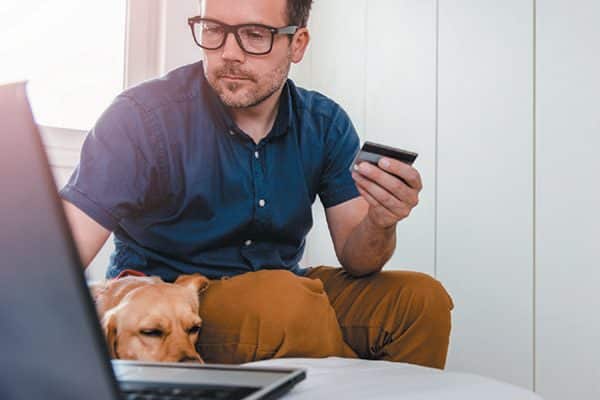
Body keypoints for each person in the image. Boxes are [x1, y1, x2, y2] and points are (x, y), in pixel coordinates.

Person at [61, 0, 454, 369]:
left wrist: (382, 222)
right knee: (287, 304)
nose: (229, 52)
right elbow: (60, 256)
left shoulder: (325, 123)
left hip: (288, 290)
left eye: (253, 34)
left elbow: (359, 258)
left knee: (421, 301)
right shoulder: (142, 119)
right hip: (176, 306)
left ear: (297, 43)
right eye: (213, 30)